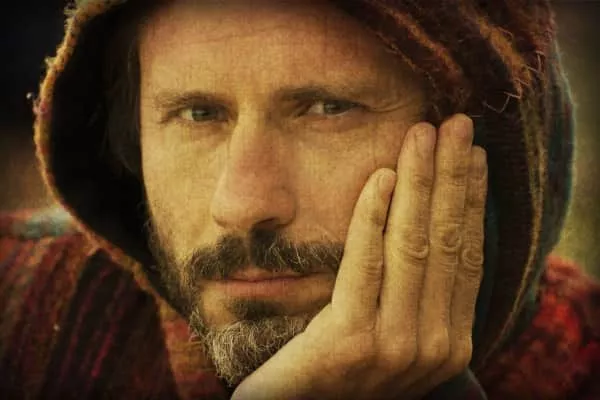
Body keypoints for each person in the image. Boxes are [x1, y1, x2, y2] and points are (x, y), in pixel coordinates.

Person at [1, 0, 599, 398]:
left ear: (494, 150)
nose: (243, 205)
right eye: (198, 114)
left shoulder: (580, 364)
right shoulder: (15, 313)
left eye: (328, 109)